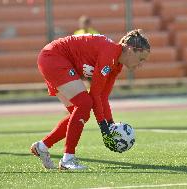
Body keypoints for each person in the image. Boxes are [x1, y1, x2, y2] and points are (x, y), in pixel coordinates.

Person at [30, 29, 150, 170]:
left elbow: (103, 96)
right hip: (53, 57)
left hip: (55, 59)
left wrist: (110, 124)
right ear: (130, 50)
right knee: (84, 104)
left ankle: (42, 146)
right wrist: (104, 127)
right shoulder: (110, 54)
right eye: (141, 59)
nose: (141, 64)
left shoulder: (116, 64)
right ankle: (68, 159)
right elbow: (94, 94)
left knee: (81, 114)